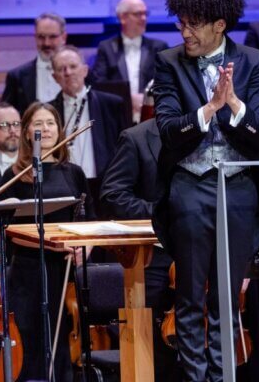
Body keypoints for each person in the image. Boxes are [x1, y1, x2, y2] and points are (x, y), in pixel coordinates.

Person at [154, 0, 259, 381]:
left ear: (219, 25)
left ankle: (224, 376)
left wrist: (234, 103)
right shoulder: (168, 62)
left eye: (193, 25)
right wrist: (208, 109)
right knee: (189, 296)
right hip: (190, 186)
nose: (184, 32)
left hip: (238, 188)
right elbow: (168, 130)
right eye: (181, 24)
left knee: (228, 296)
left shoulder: (253, 61)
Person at [0, 101, 93, 382]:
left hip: (64, 269)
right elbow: (8, 228)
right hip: (28, 269)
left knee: (61, 337)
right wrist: (52, 243)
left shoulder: (73, 172)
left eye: (50, 123)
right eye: (38, 124)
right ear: (28, 133)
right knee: (30, 338)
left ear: (59, 129)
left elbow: (89, 220)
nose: (46, 129)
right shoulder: (14, 176)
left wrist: (86, 248)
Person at [99, 118, 177, 381]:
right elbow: (113, 196)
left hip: (205, 257)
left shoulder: (212, 131)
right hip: (155, 260)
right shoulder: (136, 138)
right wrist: (161, 212)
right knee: (158, 358)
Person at [49, 45, 125, 182]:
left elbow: (124, 149)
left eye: (73, 66)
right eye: (61, 69)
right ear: (55, 77)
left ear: (85, 70)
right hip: (65, 184)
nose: (68, 72)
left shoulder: (111, 104)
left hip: (104, 183)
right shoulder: (49, 111)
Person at [90, 0, 169, 122]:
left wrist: (147, 98)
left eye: (145, 14)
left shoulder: (159, 47)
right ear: (122, 17)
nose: (144, 18)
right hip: (117, 115)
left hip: (151, 115)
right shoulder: (106, 47)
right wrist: (129, 98)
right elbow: (99, 83)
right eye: (138, 14)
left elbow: (167, 82)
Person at [1, 12, 66, 114]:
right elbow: (6, 115)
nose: (46, 43)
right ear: (35, 37)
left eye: (52, 37)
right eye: (41, 37)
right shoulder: (17, 77)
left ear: (64, 37)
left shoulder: (81, 75)